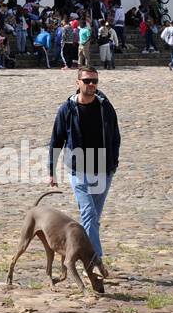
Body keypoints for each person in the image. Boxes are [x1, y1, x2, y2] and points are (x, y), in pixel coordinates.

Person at [49, 67, 120, 269]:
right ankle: (94, 261)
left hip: (103, 169)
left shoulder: (105, 107)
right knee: (88, 214)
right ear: (77, 82)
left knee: (94, 219)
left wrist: (114, 162)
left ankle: (80, 253)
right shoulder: (67, 109)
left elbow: (115, 136)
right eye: (87, 81)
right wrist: (51, 170)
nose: (91, 85)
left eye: (94, 81)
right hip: (78, 169)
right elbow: (56, 140)